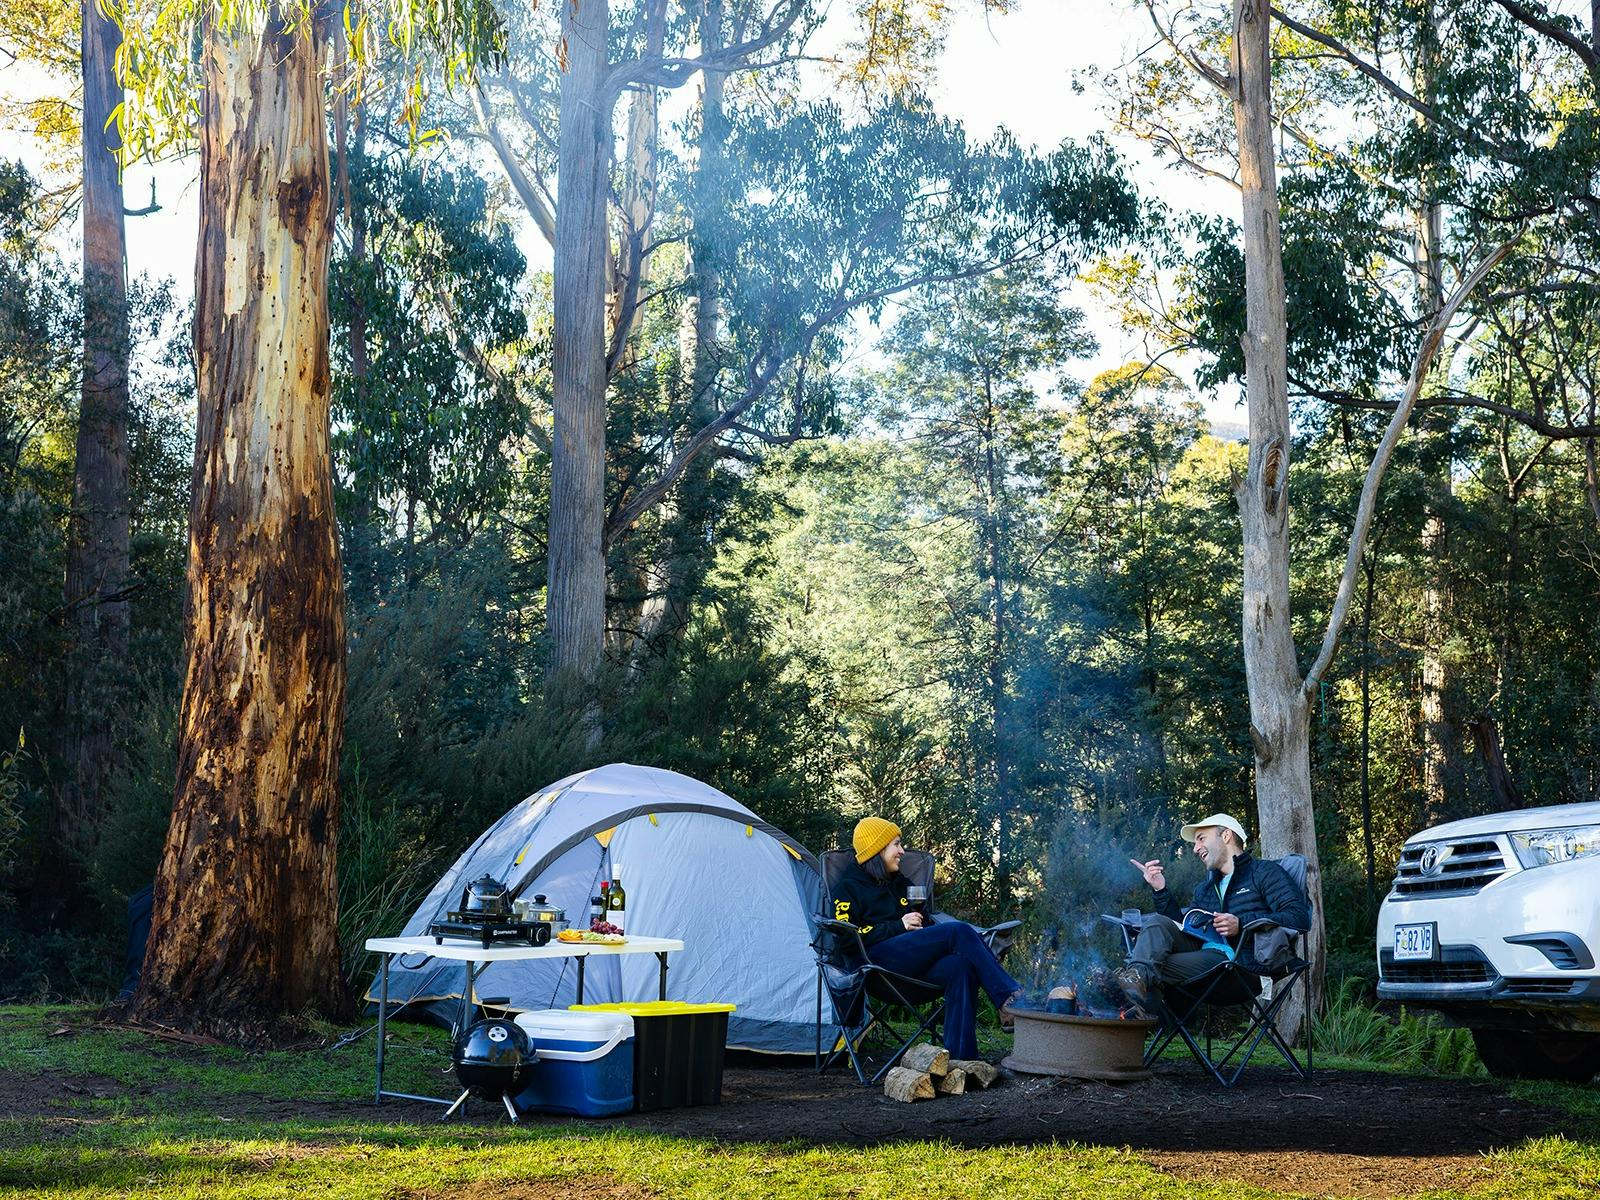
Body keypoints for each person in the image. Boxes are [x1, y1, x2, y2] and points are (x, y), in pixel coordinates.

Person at [830, 816, 1023, 1061]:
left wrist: (923, 923)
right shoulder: (848, 888)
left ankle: (960, 1062)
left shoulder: (900, 884)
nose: (902, 851)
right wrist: (898, 925)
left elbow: (925, 922)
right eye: (896, 844)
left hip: (910, 967)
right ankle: (1009, 999)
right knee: (958, 930)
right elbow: (845, 939)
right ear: (876, 849)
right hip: (876, 968)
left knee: (960, 967)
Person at [1115, 813, 1309, 1006]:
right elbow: (1182, 928)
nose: (1195, 849)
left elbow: (1299, 917)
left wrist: (1241, 923)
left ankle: (1136, 1005)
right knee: (1157, 925)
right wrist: (1160, 889)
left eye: (1201, 839)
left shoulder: (1264, 872)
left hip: (1241, 968)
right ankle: (1135, 985)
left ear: (1226, 836)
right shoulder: (1205, 890)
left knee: (1150, 966)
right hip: (1204, 959)